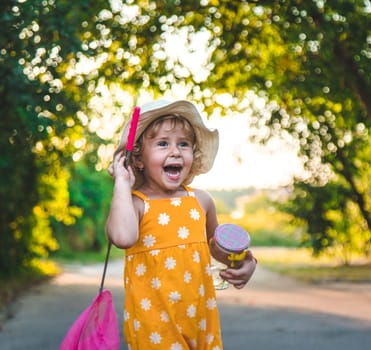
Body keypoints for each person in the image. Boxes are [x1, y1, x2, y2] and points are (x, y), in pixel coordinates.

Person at [106, 99, 257, 349]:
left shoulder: (201, 201)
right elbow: (122, 237)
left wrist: (246, 262)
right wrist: (122, 183)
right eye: (163, 144)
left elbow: (218, 249)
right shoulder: (136, 204)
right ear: (139, 159)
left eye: (183, 144)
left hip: (201, 323)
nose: (175, 151)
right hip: (154, 328)